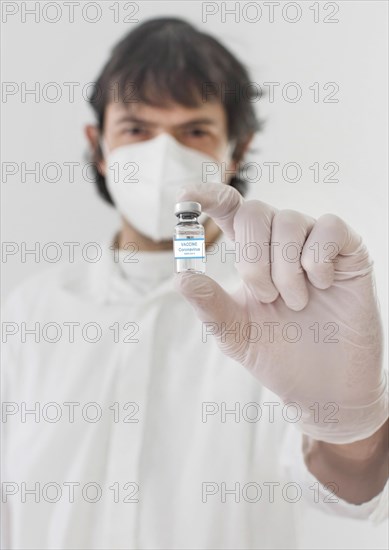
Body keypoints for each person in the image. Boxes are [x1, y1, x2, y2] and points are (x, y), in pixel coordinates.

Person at [2, 17, 388, 550]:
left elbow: (350, 493)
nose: (163, 157)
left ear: (236, 150)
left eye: (194, 131)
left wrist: (347, 426)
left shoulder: (290, 305)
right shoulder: (27, 317)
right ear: (99, 144)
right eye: (137, 129)